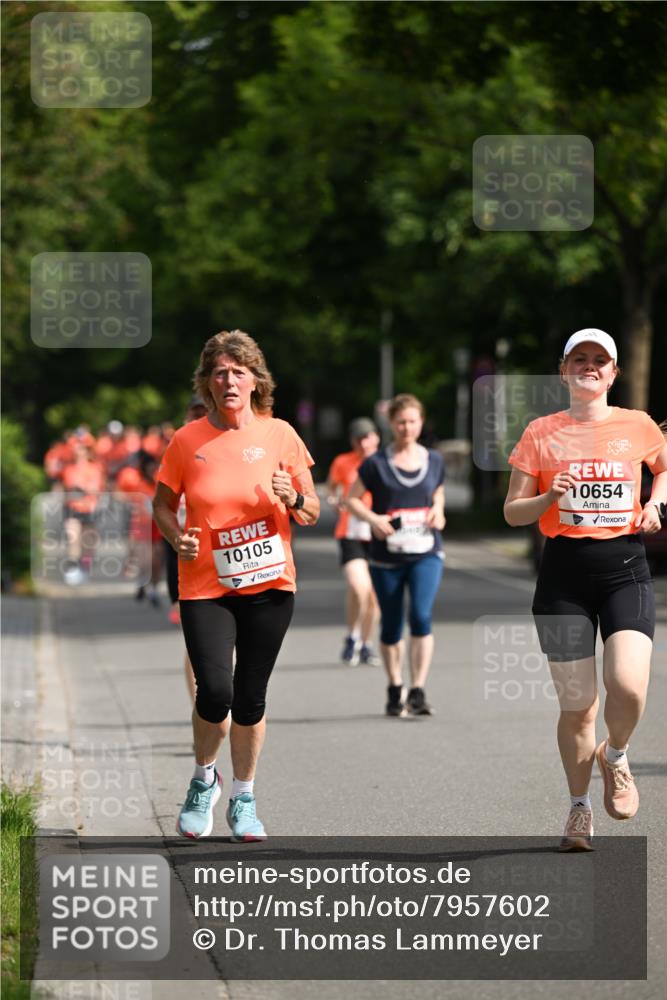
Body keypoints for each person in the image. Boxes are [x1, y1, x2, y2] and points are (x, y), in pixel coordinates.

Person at [504, 329, 667, 851]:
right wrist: (548, 494)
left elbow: (664, 470)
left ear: (613, 373)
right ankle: (578, 809)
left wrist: (655, 504)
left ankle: (615, 755)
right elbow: (512, 511)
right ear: (564, 369)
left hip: (625, 568)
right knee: (579, 708)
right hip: (563, 578)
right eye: (580, 359)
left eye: (600, 360)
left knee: (630, 685)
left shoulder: (637, 426)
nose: (590, 366)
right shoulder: (541, 432)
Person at [153, 330, 319, 840]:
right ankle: (205, 779)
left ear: (255, 381)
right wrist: (178, 537)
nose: (228, 380)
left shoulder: (281, 436)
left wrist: (291, 496)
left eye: (238, 371)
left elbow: (312, 511)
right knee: (215, 692)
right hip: (205, 585)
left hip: (270, 584)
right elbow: (160, 504)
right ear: (206, 383)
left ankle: (244, 797)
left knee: (250, 697)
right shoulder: (186, 441)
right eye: (219, 372)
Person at [347, 393, 446, 717]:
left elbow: (437, 491)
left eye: (412, 421)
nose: (406, 427)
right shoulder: (375, 464)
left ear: (421, 422)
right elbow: (353, 499)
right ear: (391, 424)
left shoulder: (434, 459)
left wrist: (439, 511)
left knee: (420, 616)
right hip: (385, 557)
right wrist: (374, 519)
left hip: (426, 552)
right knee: (391, 625)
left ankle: (417, 689)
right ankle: (394, 687)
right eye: (400, 421)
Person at [163, 394, 208, 703]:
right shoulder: (177, 447)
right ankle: (202, 710)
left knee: (226, 641)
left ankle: (219, 699)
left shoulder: (228, 442)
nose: (198, 418)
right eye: (194, 413)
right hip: (184, 549)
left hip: (224, 550)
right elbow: (161, 503)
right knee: (197, 641)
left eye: (204, 413)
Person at [326, 418, 381, 666]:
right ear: (352, 441)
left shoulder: (387, 461)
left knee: (374, 596)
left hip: (380, 533)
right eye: (359, 438)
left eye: (367, 437)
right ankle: (352, 635)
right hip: (350, 532)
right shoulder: (343, 462)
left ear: (376, 438)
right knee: (359, 587)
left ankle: (366, 644)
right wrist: (335, 501)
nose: (364, 442)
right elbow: (332, 489)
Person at [116, 450, 163, 606]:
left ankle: (154, 589)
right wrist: (132, 502)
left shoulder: (160, 478)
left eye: (153, 466)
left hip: (158, 524)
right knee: (144, 559)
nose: (151, 469)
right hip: (141, 523)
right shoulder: (136, 482)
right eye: (148, 467)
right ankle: (142, 583)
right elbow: (119, 494)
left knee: (157, 559)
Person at [61, 441, 106, 584]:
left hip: (89, 508)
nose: (79, 453)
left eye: (82, 450)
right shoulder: (69, 469)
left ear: (87, 452)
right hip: (73, 507)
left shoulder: (95, 468)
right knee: (73, 538)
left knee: (88, 542)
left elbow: (96, 489)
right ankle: (73, 568)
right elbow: (68, 487)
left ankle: (85, 567)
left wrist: (82, 487)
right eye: (76, 450)